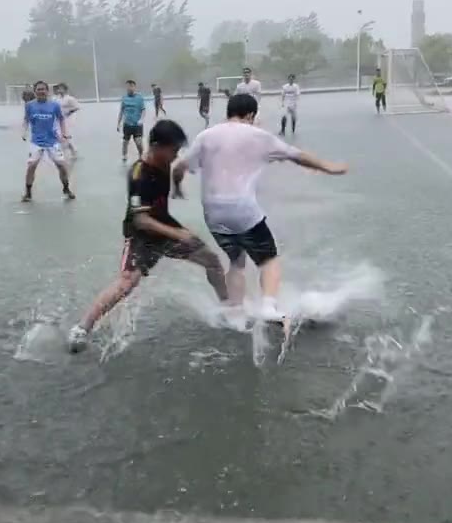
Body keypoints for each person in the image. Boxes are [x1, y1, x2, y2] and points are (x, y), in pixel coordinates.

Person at [172, 93, 347, 322]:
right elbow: (297, 156)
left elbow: (179, 166)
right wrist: (329, 167)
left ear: (229, 112)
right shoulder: (259, 136)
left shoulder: (206, 136)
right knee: (269, 260)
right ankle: (268, 306)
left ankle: (235, 312)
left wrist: (176, 187)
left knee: (236, 261)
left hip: (213, 214)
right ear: (251, 114)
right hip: (242, 210)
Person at [68, 120, 229, 352]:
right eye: (173, 150)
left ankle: (228, 309)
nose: (175, 155)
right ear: (156, 146)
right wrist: (177, 233)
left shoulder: (165, 163)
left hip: (163, 225)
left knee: (212, 262)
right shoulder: (138, 174)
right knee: (127, 282)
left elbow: (176, 169)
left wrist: (177, 185)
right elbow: (140, 219)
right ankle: (82, 328)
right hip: (141, 235)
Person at [22, 80, 75, 202]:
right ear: (35, 91)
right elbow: (26, 120)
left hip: (52, 141)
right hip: (36, 141)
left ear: (47, 91)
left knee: (61, 165)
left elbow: (61, 119)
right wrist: (24, 131)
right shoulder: (29, 105)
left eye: (43, 89)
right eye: (38, 89)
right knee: (31, 166)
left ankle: (66, 188)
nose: (41, 91)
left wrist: (64, 133)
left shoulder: (54, 105)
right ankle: (28, 192)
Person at [118, 79, 146, 163]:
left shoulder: (140, 98)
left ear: (134, 87)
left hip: (137, 124)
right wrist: (118, 123)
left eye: (131, 86)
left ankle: (141, 155)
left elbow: (143, 110)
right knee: (125, 141)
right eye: (127, 87)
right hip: (127, 124)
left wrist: (141, 119)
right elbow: (121, 111)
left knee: (138, 142)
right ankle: (124, 156)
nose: (129, 88)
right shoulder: (124, 98)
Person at [53, 82, 80, 159]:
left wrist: (69, 112)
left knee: (66, 136)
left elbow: (77, 107)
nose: (59, 90)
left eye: (61, 88)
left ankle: (73, 151)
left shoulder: (70, 98)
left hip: (67, 120)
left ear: (65, 89)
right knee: (58, 135)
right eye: (59, 88)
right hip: (57, 119)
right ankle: (62, 152)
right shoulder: (55, 99)